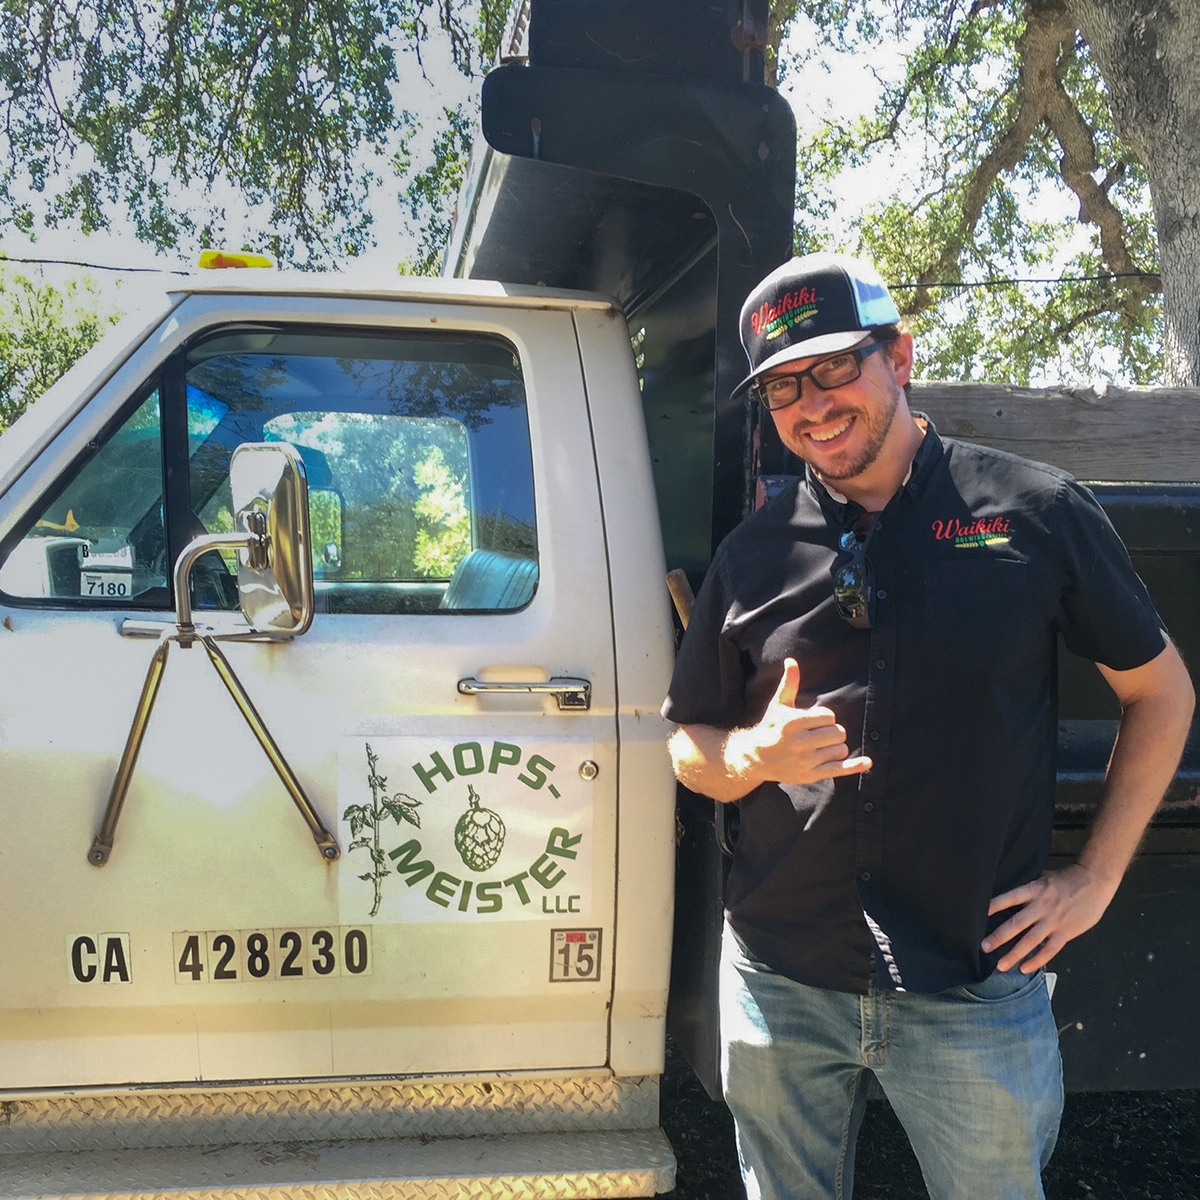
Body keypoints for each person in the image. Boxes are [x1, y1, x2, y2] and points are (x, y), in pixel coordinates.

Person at [662, 252, 1195, 1200]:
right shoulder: (752, 556)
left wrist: (1095, 879)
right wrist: (750, 755)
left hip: (973, 985)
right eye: (783, 387)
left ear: (899, 356)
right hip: (783, 976)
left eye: (833, 368)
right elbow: (687, 741)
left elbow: (1162, 692)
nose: (812, 406)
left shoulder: (1034, 513)